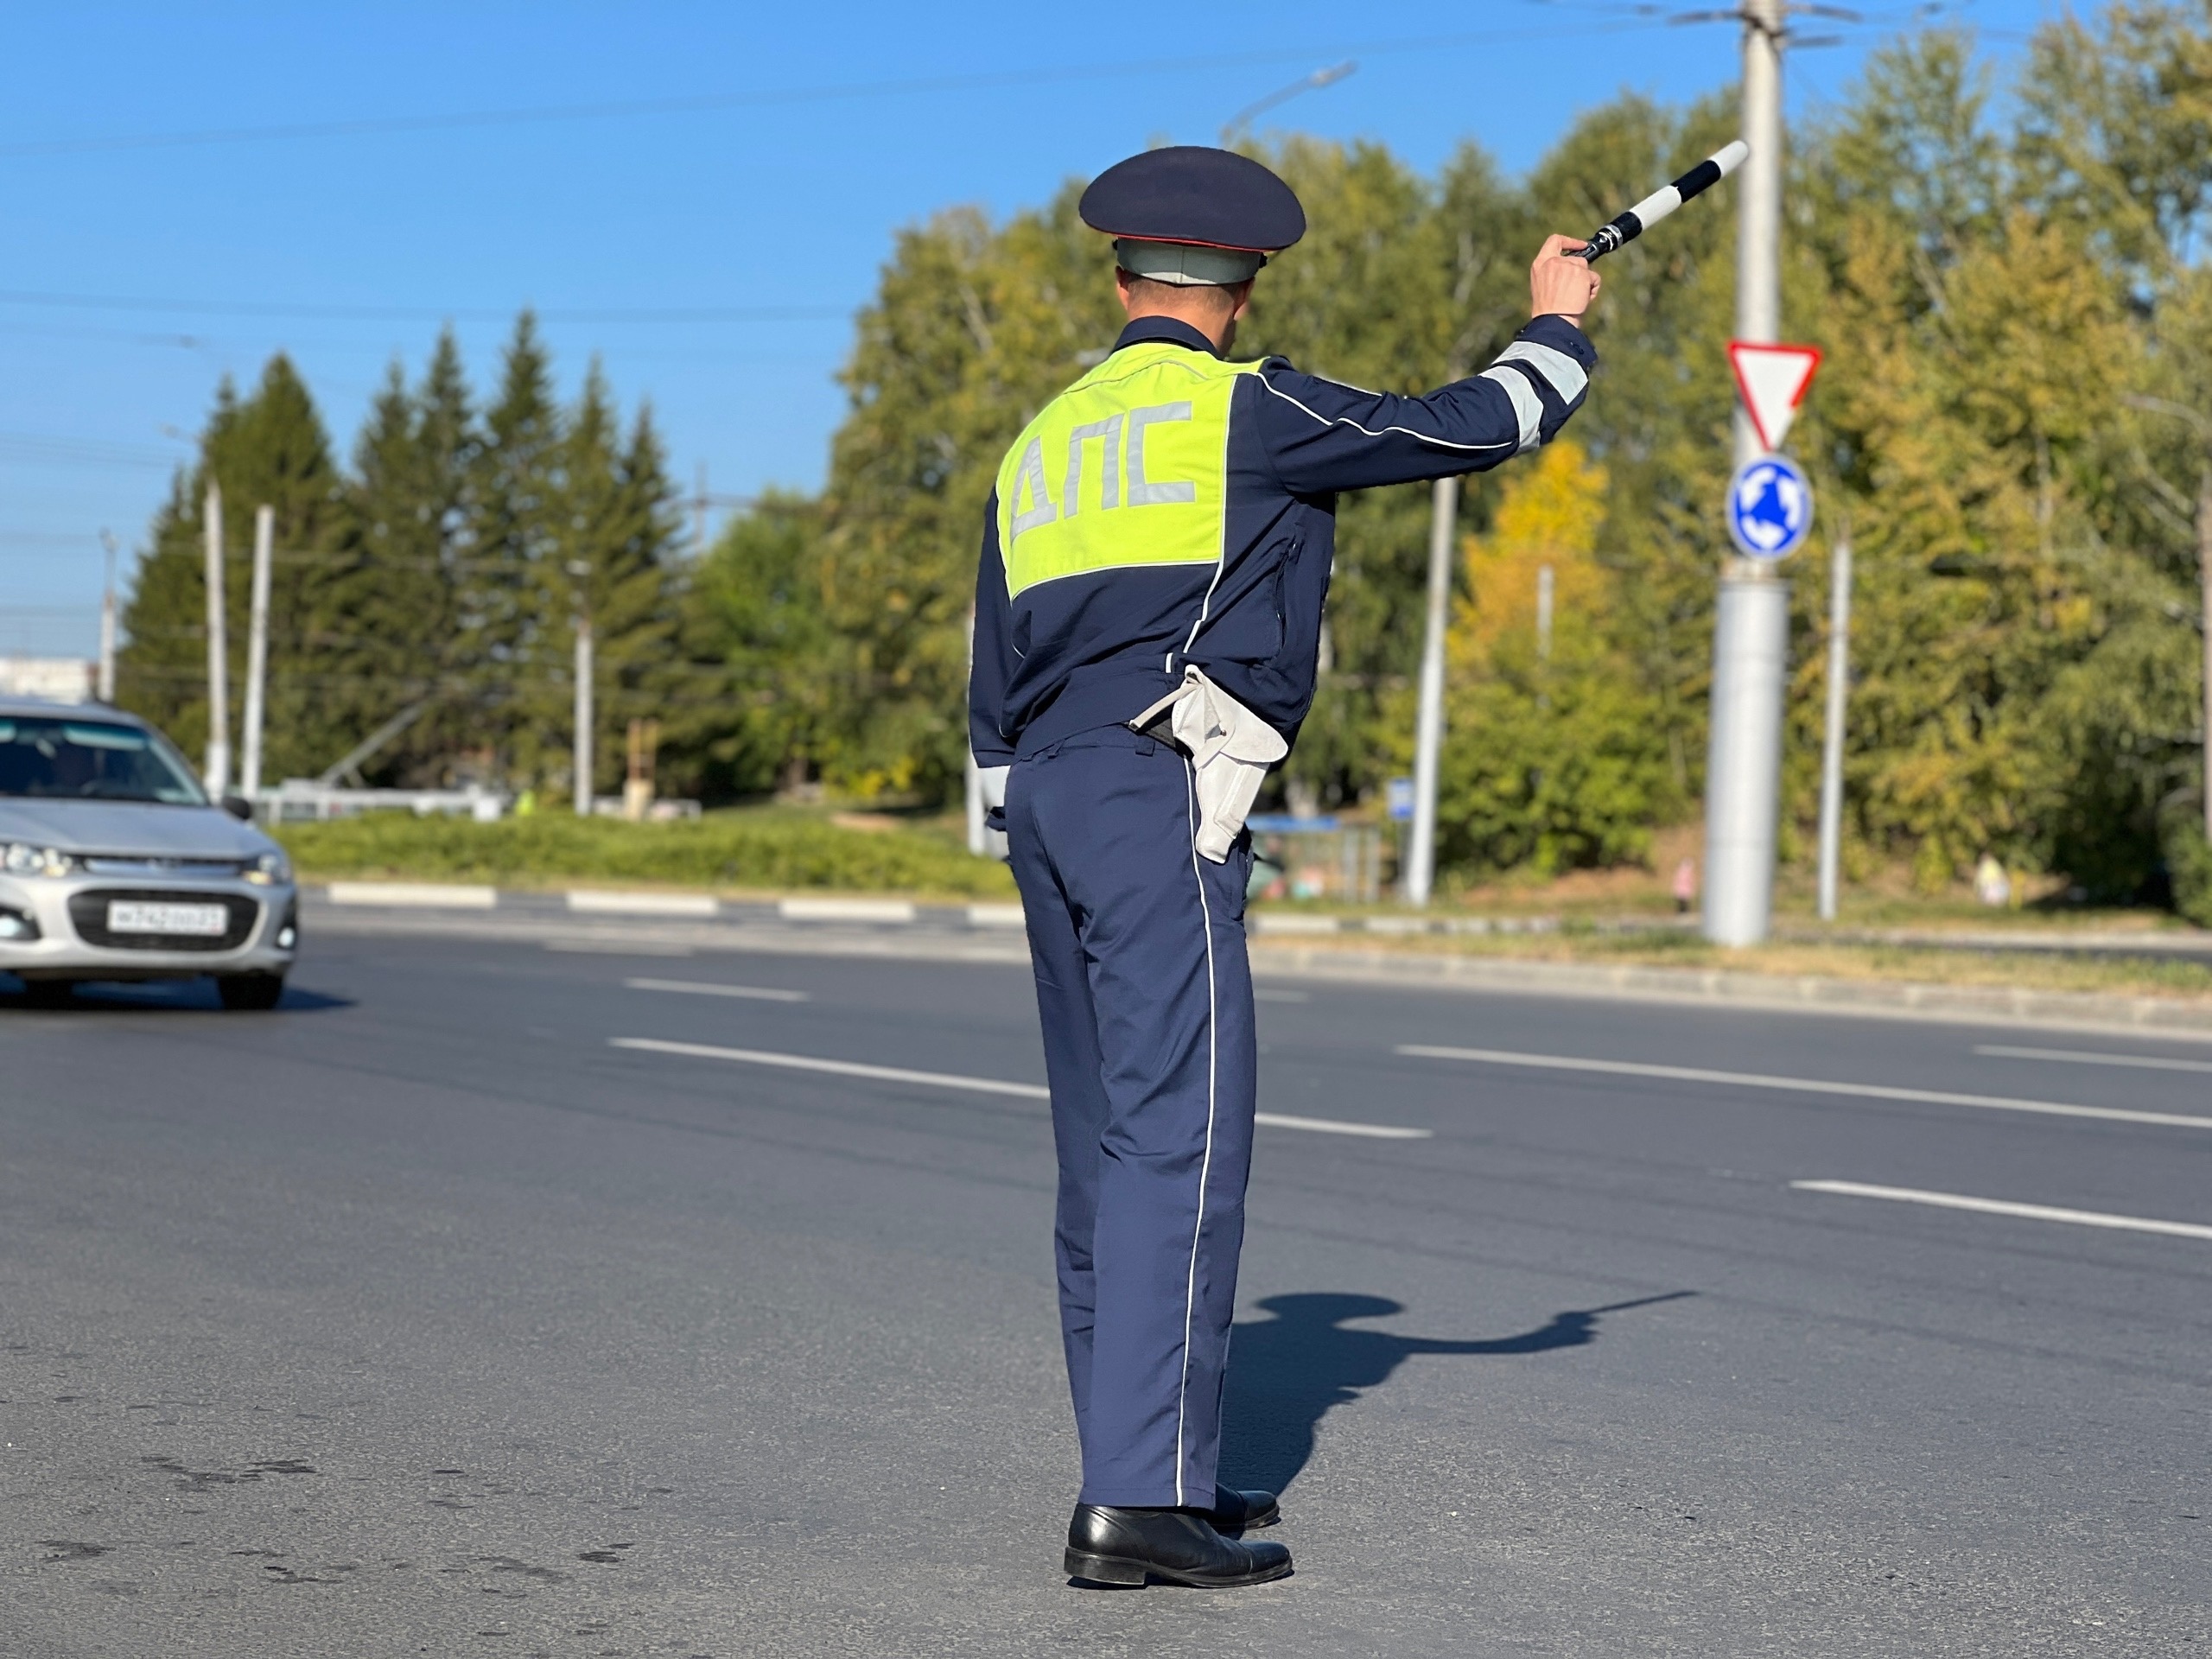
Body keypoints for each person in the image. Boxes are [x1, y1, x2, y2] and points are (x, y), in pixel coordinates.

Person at [968, 145, 1603, 1590]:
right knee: (1179, 1142)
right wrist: (1558, 322)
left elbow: (989, 683)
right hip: (1155, 794)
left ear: (1125, 275)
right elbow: (1475, 427)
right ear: (1242, 289)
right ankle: (1137, 1503)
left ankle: (1157, 1464)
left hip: (1050, 802)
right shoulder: (1246, 411)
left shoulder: (1043, 442)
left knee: (1102, 1154)